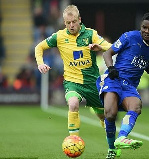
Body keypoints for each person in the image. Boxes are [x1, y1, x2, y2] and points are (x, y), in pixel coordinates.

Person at [35, 5, 112, 136]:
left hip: (92, 82)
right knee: (73, 104)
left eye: (74, 22)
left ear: (79, 20)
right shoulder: (59, 36)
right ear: (64, 23)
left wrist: (100, 47)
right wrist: (40, 63)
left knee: (103, 115)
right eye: (68, 23)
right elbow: (39, 47)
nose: (71, 25)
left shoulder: (90, 34)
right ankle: (73, 140)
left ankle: (104, 123)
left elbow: (110, 47)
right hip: (72, 81)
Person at [96, 12, 149, 159]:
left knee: (136, 106)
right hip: (114, 78)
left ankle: (121, 137)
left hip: (130, 85)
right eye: (144, 27)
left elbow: (139, 56)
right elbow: (107, 53)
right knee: (110, 115)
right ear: (141, 27)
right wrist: (111, 68)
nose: (147, 31)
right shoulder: (129, 36)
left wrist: (147, 65)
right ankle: (112, 149)